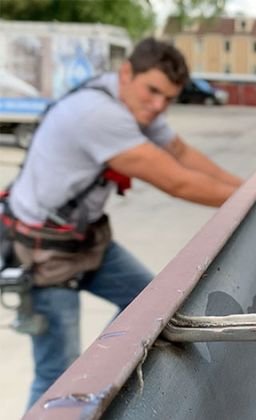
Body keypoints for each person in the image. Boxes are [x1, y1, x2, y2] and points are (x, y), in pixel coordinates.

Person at [3, 38, 242, 407]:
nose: (158, 106)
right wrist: (246, 198)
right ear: (127, 73)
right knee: (56, 375)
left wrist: (249, 187)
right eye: (153, 91)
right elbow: (176, 182)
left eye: (168, 98)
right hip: (44, 252)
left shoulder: (129, 101)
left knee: (148, 305)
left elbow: (179, 153)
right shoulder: (99, 114)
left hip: (87, 239)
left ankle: (101, 379)